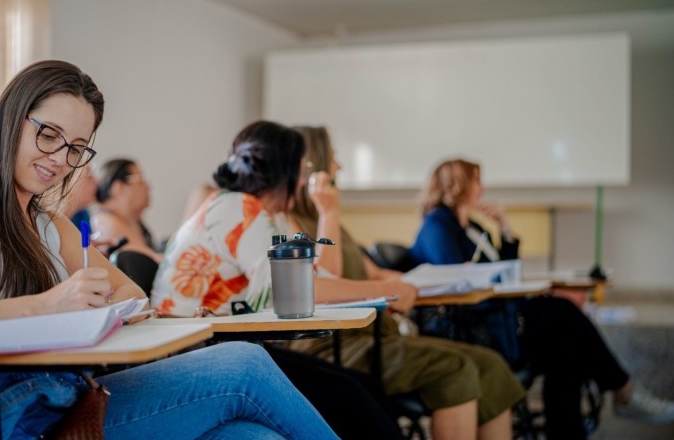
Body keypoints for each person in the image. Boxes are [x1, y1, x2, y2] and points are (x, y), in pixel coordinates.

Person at [0, 60, 337, 440]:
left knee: (252, 436)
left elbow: (131, 297)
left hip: (59, 399)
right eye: (48, 135)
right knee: (245, 364)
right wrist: (49, 306)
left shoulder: (48, 224)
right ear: (12, 116)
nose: (60, 160)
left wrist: (107, 310)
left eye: (76, 149)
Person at [153, 121, 526, 440]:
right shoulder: (242, 210)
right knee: (354, 397)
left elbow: (316, 277)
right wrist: (386, 288)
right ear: (288, 172)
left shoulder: (252, 211)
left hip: (230, 344)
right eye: (301, 170)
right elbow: (309, 289)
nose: (306, 180)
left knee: (358, 393)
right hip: (204, 351)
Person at [409, 158, 674, 438]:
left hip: (501, 319)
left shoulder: (471, 227)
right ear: (460, 184)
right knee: (562, 311)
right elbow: (461, 284)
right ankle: (624, 391)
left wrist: (504, 228)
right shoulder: (438, 226)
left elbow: (506, 271)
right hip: (479, 329)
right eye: (476, 181)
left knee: (566, 349)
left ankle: (586, 420)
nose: (482, 188)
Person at [91, 158, 163, 262]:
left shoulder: (133, 220)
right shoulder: (103, 220)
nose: (147, 186)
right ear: (118, 187)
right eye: (140, 180)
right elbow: (150, 259)